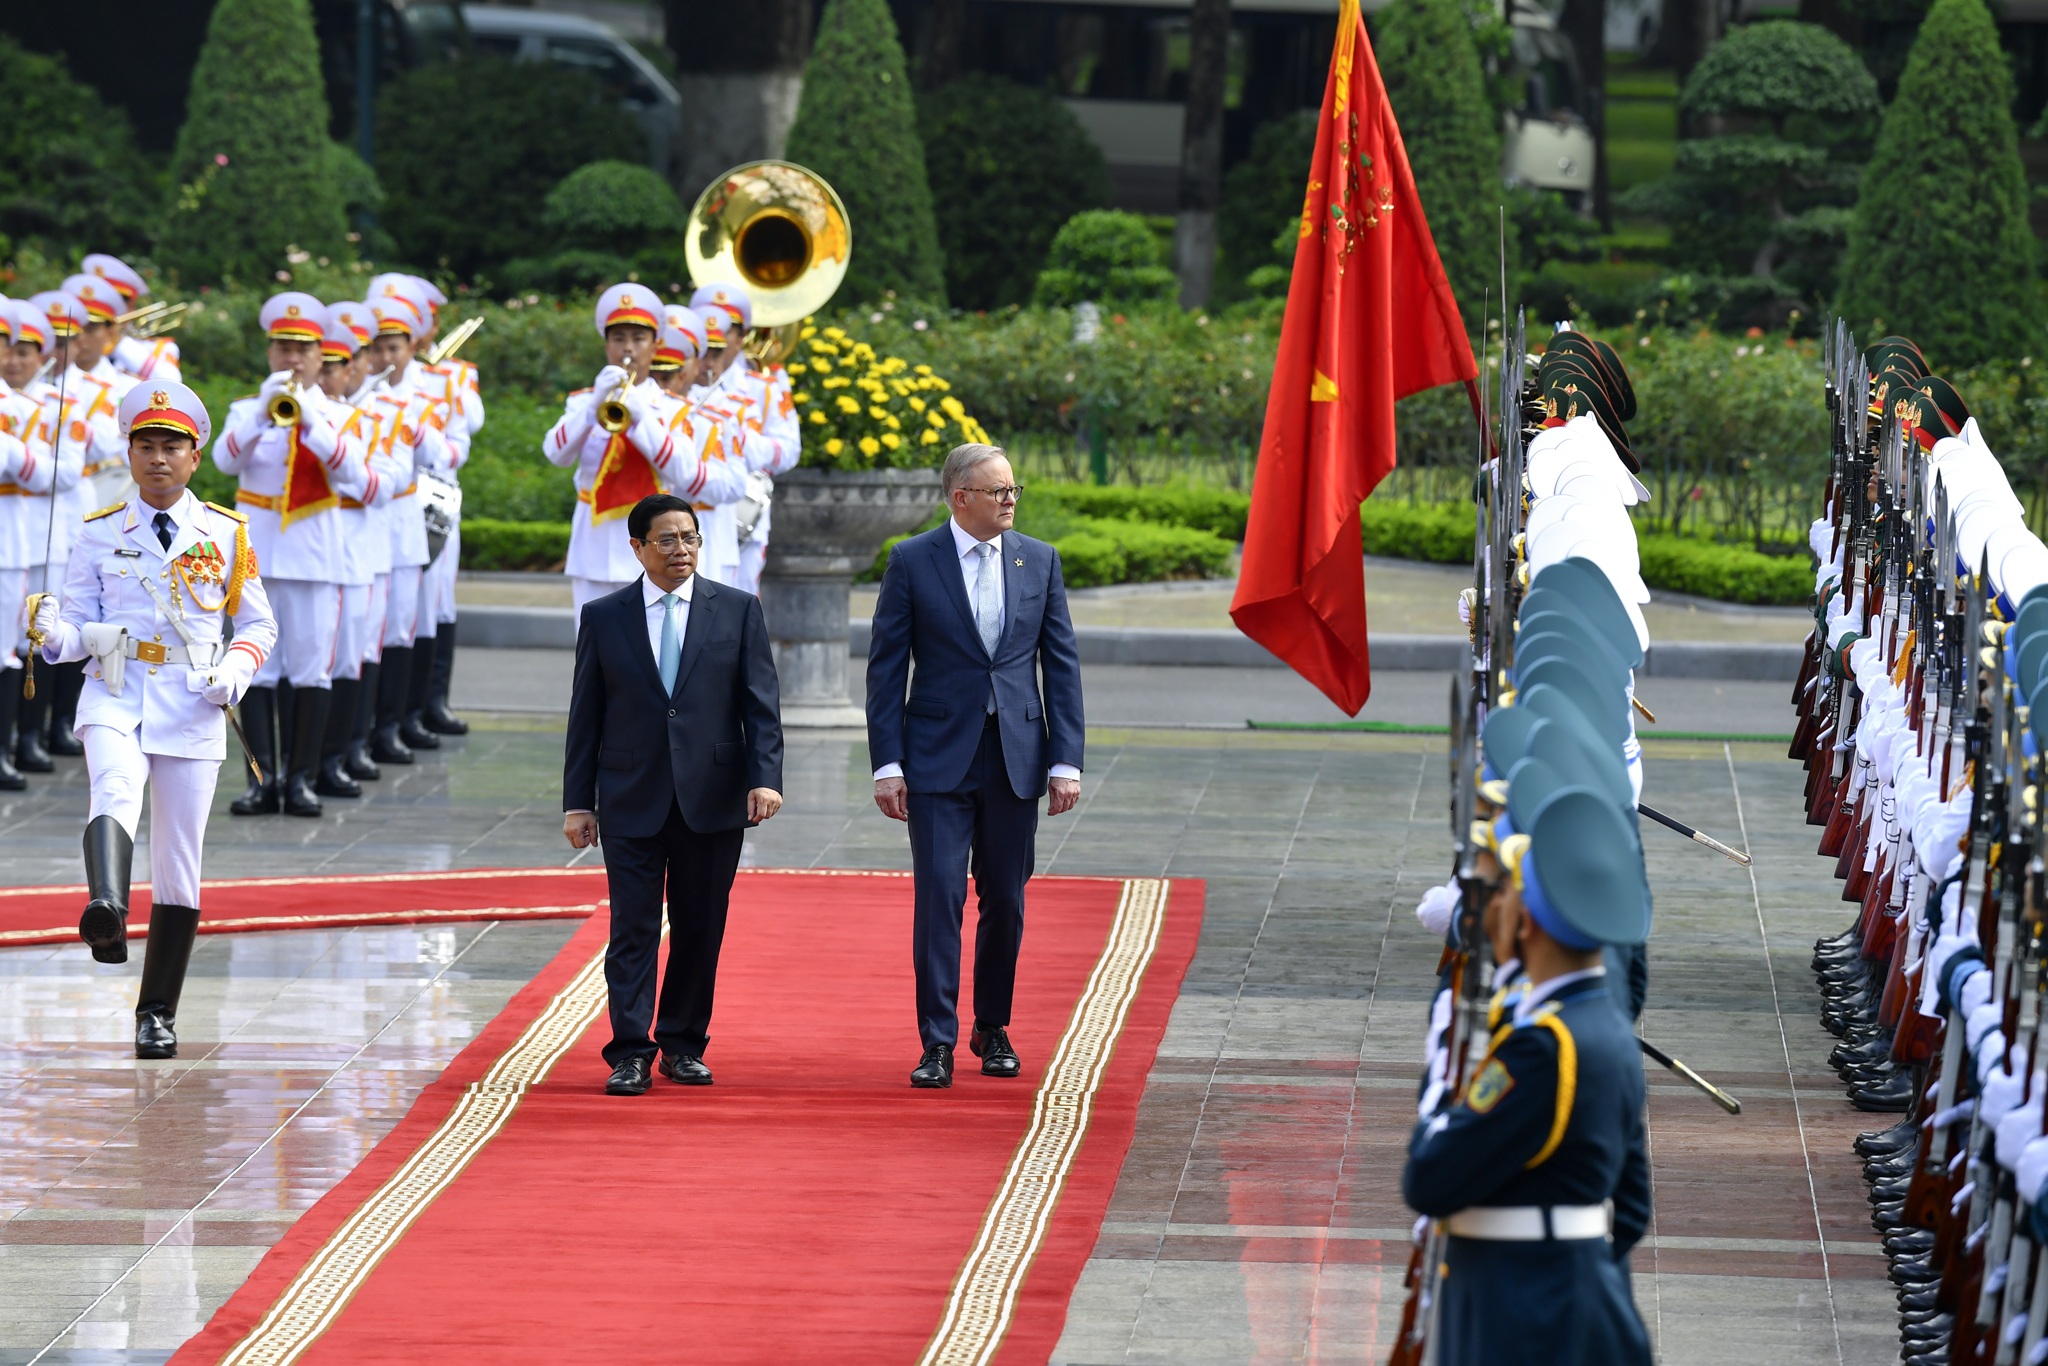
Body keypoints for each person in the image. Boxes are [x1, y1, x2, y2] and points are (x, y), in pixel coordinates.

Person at [29, 381, 276, 1058]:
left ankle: (157, 1013)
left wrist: (235, 671)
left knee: (178, 862)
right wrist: (54, 635)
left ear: (195, 456)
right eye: (146, 446)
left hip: (193, 701)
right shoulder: (99, 531)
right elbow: (78, 623)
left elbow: (258, 624)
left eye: (172, 446)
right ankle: (106, 908)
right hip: (115, 687)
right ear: (130, 453)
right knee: (113, 787)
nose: (158, 458)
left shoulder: (226, 532)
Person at [1401, 781, 1654, 1366]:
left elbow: (1430, 1178)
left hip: (1525, 1317)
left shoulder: (1544, 1048)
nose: (1494, 904)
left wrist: (1441, 1073)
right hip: (1566, 1301)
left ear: (1530, 921)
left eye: (1506, 892)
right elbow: (1631, 1206)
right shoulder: (1604, 1026)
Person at [865, 443, 1085, 1089]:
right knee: (939, 898)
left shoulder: (1038, 560)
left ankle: (992, 1027)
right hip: (936, 758)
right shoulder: (912, 561)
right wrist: (887, 764)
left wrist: (1066, 761)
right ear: (961, 497)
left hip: (1015, 756)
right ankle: (936, 1040)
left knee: (1007, 902)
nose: (1011, 500)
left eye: (1013, 490)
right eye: (999, 492)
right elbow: (885, 669)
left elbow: (1061, 665)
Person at [561, 493, 784, 1096]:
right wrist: (578, 802)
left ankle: (683, 1044)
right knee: (632, 928)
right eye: (667, 540)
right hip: (631, 796)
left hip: (712, 798)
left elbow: (760, 705)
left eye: (690, 538)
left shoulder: (736, 610)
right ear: (637, 547)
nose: (681, 550)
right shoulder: (604, 617)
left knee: (699, 927)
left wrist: (765, 777)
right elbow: (586, 714)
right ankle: (630, 1050)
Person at [212, 292, 367, 817]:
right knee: (257, 668)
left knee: (309, 670)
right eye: (282, 347)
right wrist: (264, 413)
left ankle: (300, 778)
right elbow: (225, 459)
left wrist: (309, 422)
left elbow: (355, 476)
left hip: (315, 557)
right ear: (269, 352)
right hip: (255, 555)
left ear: (321, 356)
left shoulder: (339, 416)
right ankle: (262, 779)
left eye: (303, 349)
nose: (292, 359)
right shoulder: (246, 410)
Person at [544, 284, 746, 616]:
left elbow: (684, 472)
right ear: (607, 344)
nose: (628, 348)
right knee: (592, 654)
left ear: (655, 345)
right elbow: (556, 453)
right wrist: (594, 404)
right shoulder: (583, 401)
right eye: (619, 338)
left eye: (638, 339)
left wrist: (641, 421)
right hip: (592, 546)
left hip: (652, 545)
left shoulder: (672, 408)